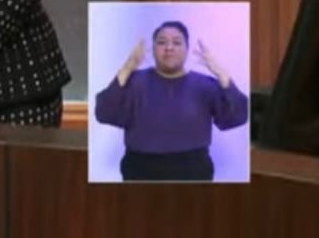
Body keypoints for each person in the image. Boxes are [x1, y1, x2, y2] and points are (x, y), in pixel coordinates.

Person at [94, 21, 249, 181]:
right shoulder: (135, 82)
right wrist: (128, 66)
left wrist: (221, 74)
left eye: (177, 42)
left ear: (187, 49)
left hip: (193, 170)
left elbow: (238, 116)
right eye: (161, 42)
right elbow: (104, 112)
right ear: (153, 49)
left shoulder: (205, 85)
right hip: (140, 169)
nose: (169, 47)